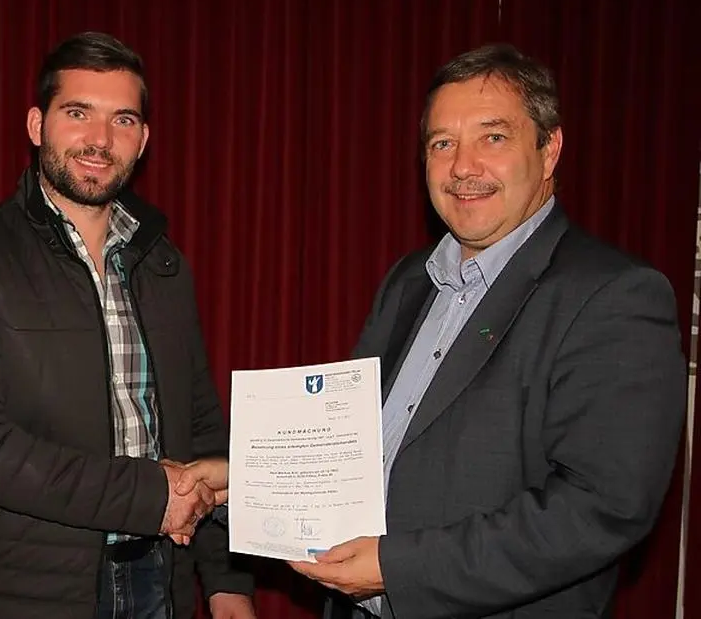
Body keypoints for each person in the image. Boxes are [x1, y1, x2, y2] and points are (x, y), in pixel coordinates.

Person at [284, 44, 687, 618]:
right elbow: (346, 440)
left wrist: (396, 570)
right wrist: (247, 480)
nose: (462, 167)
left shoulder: (615, 295)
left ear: (550, 151)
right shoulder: (410, 279)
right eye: (441, 143)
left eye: (492, 138)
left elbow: (603, 506)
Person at [0, 31, 256, 619]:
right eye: (78, 113)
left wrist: (226, 582)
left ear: (143, 140)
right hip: (27, 591)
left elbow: (200, 428)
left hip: (160, 580)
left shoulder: (164, 265)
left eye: (122, 120)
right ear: (37, 125)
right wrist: (147, 496)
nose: (99, 139)